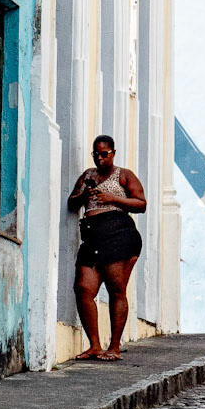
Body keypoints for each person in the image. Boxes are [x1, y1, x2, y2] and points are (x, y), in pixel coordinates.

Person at [66, 135, 146, 361]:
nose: (100, 158)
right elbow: (72, 203)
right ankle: (94, 345)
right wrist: (84, 194)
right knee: (83, 288)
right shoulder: (87, 176)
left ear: (113, 153)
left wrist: (111, 197)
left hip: (118, 234)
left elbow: (141, 203)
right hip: (92, 235)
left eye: (104, 154)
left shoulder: (124, 175)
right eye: (96, 154)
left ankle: (114, 346)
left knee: (116, 289)